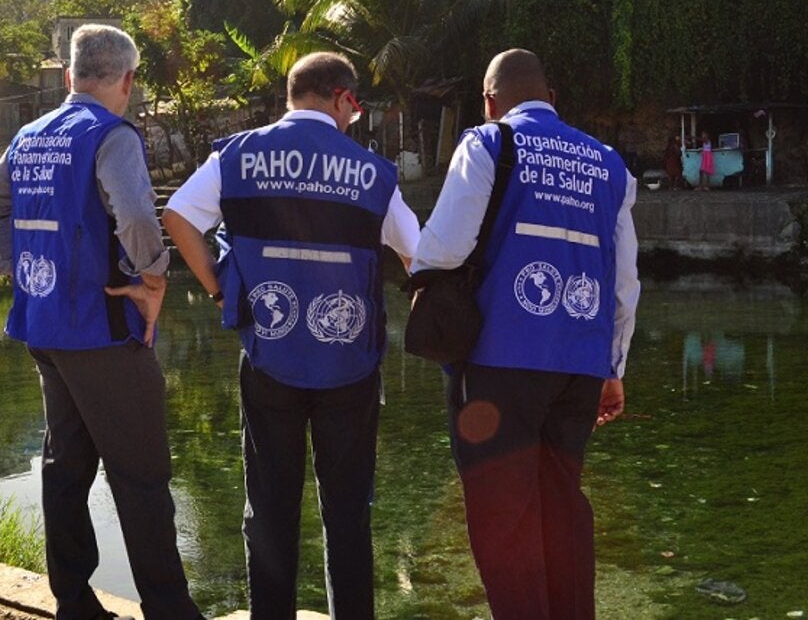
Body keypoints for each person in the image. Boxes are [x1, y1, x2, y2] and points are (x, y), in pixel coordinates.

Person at [162, 52, 419, 620]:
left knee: (271, 508)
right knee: (346, 513)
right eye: (356, 105)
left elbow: (178, 215)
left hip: (269, 354)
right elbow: (416, 254)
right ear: (342, 98)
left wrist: (217, 289)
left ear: (290, 94)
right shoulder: (372, 172)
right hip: (349, 365)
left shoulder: (238, 155)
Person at [0, 24, 203, 620]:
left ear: (70, 77)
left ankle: (73, 599)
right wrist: (155, 280)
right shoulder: (111, 134)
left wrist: (16, 269)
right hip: (100, 330)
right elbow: (137, 217)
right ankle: (171, 610)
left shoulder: (30, 134)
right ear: (127, 80)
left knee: (65, 464)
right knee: (143, 474)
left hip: (44, 326)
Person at [410, 49, 639, 620]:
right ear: (552, 99)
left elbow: (441, 248)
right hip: (580, 365)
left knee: (502, 516)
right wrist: (614, 369)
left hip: (498, 363)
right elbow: (625, 280)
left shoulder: (489, 144)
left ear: (490, 101)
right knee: (563, 505)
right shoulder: (609, 165)